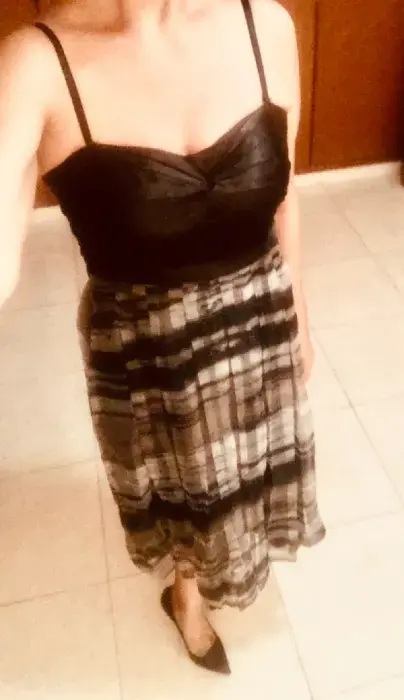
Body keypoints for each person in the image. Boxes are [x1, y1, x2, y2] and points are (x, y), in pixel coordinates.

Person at [0, 0, 325, 675]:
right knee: (182, 493)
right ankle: (186, 597)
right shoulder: (37, 65)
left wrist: (298, 309)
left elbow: (285, 193)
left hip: (259, 326)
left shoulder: (265, 24)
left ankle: (201, 582)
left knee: (242, 481)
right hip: (148, 357)